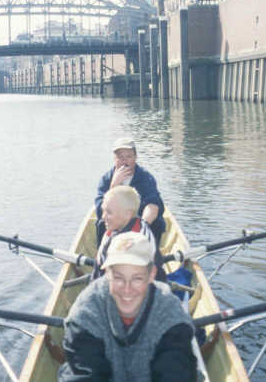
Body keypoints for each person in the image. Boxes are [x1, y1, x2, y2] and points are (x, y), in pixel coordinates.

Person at [58, 232, 198, 382]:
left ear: (152, 274)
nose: (127, 289)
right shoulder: (86, 313)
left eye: (137, 278)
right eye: (118, 277)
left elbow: (174, 374)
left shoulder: (170, 314)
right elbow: (85, 376)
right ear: (107, 273)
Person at [95, 138, 165, 246]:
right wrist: (114, 186)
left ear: (135, 158)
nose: (125, 161)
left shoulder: (146, 178)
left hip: (140, 220)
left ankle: (152, 256)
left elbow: (153, 205)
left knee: (157, 223)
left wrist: (142, 225)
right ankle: (104, 257)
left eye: (129, 156)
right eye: (120, 157)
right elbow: (101, 212)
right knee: (101, 224)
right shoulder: (106, 179)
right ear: (115, 159)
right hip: (116, 220)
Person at [92, 185, 167, 282]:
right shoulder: (113, 228)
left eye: (109, 212)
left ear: (128, 214)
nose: (103, 217)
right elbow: (99, 266)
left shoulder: (138, 239)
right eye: (103, 211)